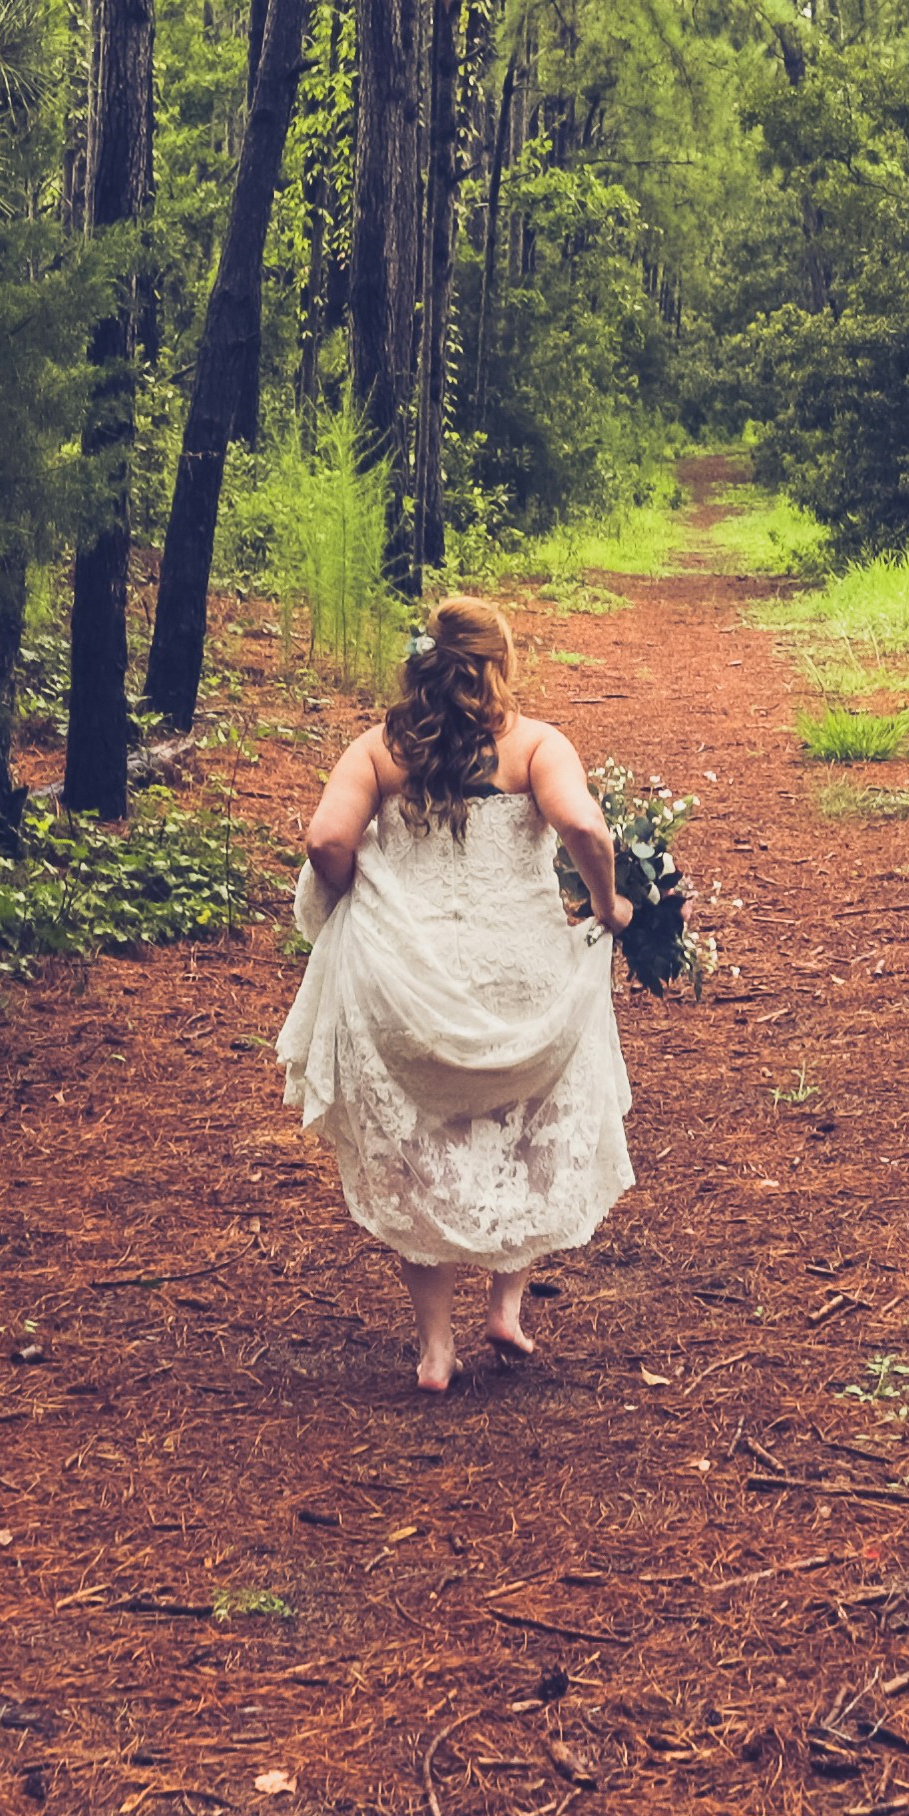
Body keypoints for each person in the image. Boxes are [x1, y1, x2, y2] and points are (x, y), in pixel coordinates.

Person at [280, 596, 638, 1391]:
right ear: (498, 663)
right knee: (536, 1116)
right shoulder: (538, 745)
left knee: (418, 1144)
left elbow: (326, 840)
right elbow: (585, 828)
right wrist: (608, 903)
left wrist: (358, 899)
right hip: (522, 976)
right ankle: (507, 1306)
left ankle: (435, 1348)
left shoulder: (378, 749)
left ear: (424, 664)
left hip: (408, 982)